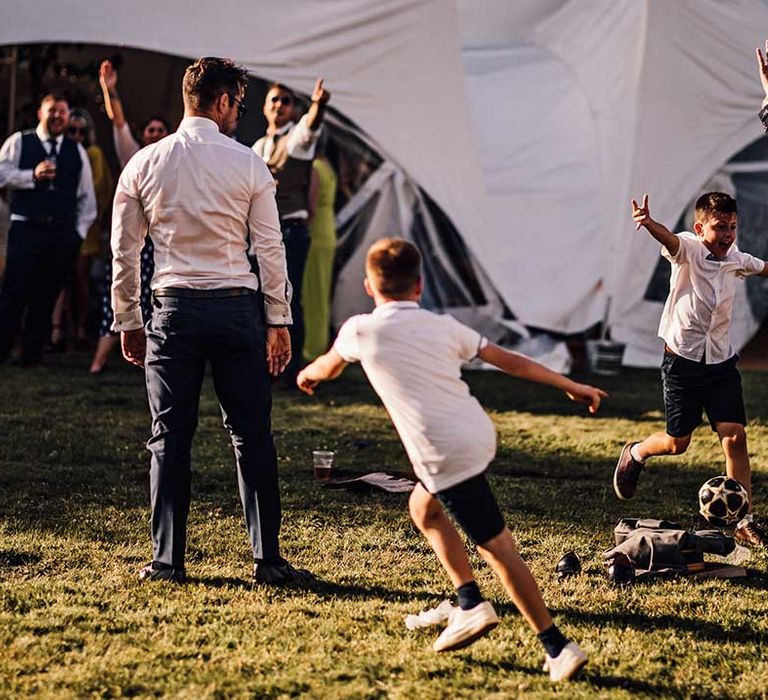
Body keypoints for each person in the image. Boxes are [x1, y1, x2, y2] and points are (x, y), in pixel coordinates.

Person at [297, 238, 606, 682]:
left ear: (369, 286)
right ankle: (468, 601)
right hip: (476, 434)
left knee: (498, 548)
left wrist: (306, 375)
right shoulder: (444, 326)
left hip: (441, 451)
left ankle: (556, 646)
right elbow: (511, 361)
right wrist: (570, 385)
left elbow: (326, 367)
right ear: (419, 285)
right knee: (423, 507)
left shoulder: (359, 330)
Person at [112, 56, 313, 585]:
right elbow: (270, 249)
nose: (238, 114)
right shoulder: (248, 163)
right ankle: (267, 559)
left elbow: (125, 252)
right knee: (252, 434)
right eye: (238, 105)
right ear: (222, 102)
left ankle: (166, 560)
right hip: (234, 310)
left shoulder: (144, 163)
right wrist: (279, 320)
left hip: (173, 310)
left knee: (169, 435)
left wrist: (128, 319)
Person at [613, 192, 768, 548]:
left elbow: (763, 267)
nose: (727, 235)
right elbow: (669, 239)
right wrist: (649, 223)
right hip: (682, 363)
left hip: (721, 363)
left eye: (732, 227)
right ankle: (636, 452)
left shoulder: (736, 259)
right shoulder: (689, 248)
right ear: (700, 228)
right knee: (677, 443)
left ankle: (743, 519)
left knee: (735, 436)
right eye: (719, 228)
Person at [0, 93, 96, 366]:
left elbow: (86, 198)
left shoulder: (76, 150)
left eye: (62, 112)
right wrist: (30, 176)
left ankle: (33, 352)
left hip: (61, 234)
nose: (57, 116)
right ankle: (3, 349)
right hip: (26, 228)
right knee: (13, 291)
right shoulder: (20, 142)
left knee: (47, 293)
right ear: (41, 113)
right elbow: (1, 173)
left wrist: (77, 233)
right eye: (52, 110)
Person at [89, 59, 171, 374]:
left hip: (161, 244)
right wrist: (110, 91)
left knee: (158, 301)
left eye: (160, 131)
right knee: (122, 295)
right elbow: (119, 122)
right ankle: (99, 361)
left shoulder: (175, 160)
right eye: (150, 130)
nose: (154, 134)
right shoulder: (134, 156)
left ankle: (152, 361)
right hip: (133, 240)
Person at [252, 78, 331, 383]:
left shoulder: (297, 139)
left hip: (291, 230)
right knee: (263, 298)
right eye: (274, 100)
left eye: (285, 101)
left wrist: (317, 106)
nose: (279, 105)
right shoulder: (258, 146)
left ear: (294, 108)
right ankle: (266, 365)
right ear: (264, 106)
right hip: (264, 232)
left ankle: (291, 369)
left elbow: (309, 129)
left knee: (288, 298)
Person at [51, 108, 113, 350]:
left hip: (86, 227)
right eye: (71, 130)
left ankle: (79, 329)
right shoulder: (61, 153)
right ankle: (59, 330)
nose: (76, 135)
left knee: (80, 279)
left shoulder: (93, 154)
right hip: (62, 225)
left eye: (80, 131)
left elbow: (98, 189)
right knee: (61, 280)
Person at [302, 145, 338, 360]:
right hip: (327, 229)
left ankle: (312, 347)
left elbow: (311, 206)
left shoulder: (315, 167)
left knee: (312, 293)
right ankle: (319, 343)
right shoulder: (327, 166)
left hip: (316, 232)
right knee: (321, 292)